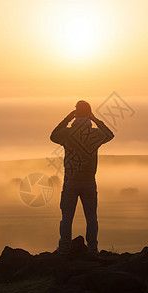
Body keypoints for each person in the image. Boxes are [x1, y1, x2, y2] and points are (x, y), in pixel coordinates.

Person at [50, 100, 114, 254]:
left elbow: (52, 136)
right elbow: (110, 134)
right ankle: (92, 248)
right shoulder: (95, 134)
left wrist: (67, 118)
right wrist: (95, 119)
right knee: (91, 217)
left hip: (70, 180)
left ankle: (64, 248)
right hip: (89, 181)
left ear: (75, 113)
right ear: (89, 114)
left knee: (66, 217)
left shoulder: (66, 134)